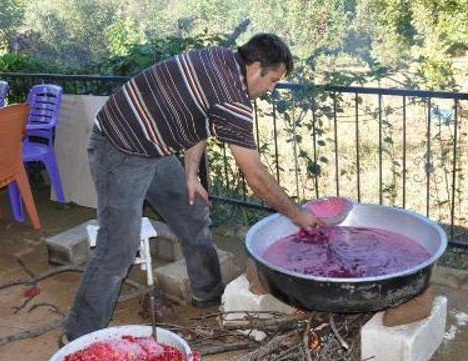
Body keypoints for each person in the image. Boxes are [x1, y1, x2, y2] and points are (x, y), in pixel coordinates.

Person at [62, 33, 323, 342]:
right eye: (273, 81)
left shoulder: (221, 59)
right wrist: (300, 216)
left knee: (193, 209)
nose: (271, 89)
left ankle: (209, 296)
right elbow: (256, 178)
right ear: (255, 68)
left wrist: (190, 175)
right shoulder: (232, 98)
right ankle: (78, 335)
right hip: (119, 148)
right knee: (118, 245)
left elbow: (197, 116)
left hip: (153, 146)